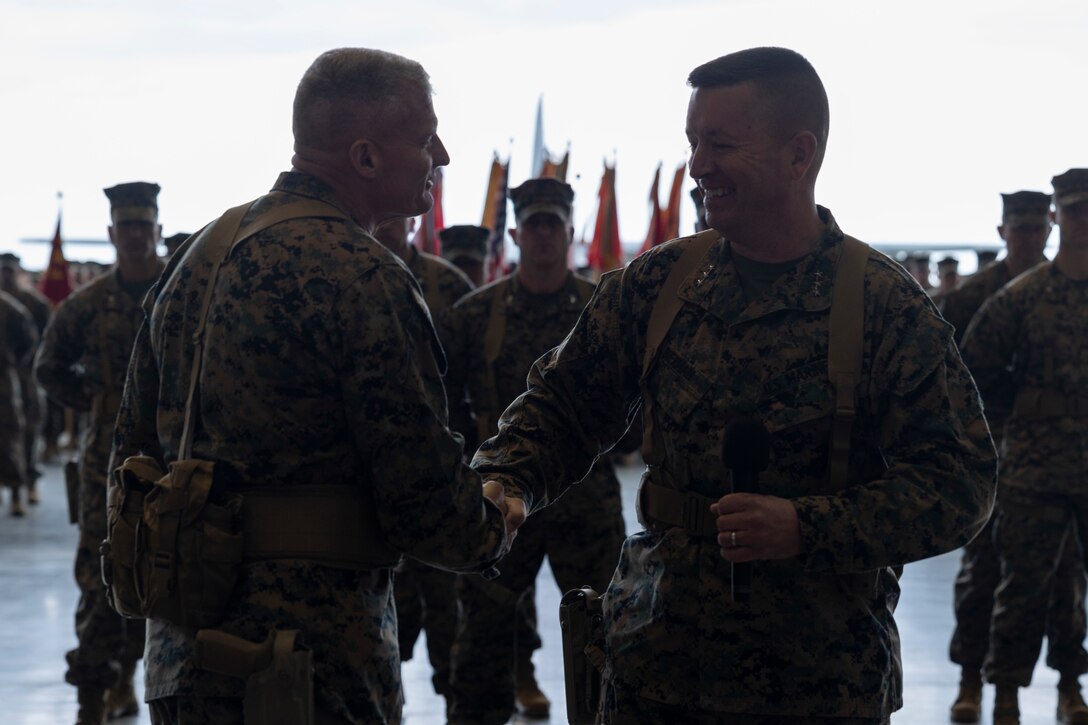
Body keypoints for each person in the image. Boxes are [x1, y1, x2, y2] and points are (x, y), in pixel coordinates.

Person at [473, 47, 997, 723]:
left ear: (799, 154)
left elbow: (962, 483)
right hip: (653, 668)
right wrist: (504, 480)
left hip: (818, 683)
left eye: (719, 144)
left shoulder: (880, 304)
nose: (698, 166)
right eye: (693, 143)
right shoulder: (657, 285)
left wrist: (808, 526)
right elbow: (563, 407)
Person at [107, 47, 510, 724]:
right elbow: (424, 502)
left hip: (183, 654)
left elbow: (131, 445)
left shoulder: (198, 256)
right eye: (424, 137)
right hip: (310, 665)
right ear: (366, 157)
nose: (441, 154)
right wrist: (493, 519)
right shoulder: (365, 276)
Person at [440, 177, 629, 724]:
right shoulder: (476, 315)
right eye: (534, 224)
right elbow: (442, 404)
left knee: (608, 637)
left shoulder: (605, 308)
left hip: (585, 499)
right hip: (502, 498)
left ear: (570, 232)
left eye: (554, 224)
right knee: (481, 642)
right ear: (517, 233)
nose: (544, 235)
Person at [943, 189, 1086, 723]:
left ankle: (1069, 686)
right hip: (997, 462)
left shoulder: (1067, 284)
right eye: (1019, 228)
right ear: (1003, 231)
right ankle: (973, 680)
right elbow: (960, 386)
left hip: (1054, 462)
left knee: (1064, 579)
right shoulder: (974, 297)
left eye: (1036, 227)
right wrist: (991, 445)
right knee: (983, 575)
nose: (1029, 236)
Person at [34, 181, 164, 724]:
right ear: (112, 233)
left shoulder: (181, 290)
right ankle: (92, 693)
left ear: (157, 229)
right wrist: (92, 401)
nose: (135, 236)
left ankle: (136, 681)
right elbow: (48, 367)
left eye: (143, 225)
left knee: (167, 573)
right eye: (126, 226)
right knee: (100, 575)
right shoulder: (87, 306)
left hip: (170, 461)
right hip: (104, 466)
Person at [0, 252, 49, 507]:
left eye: (9, 270)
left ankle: (26, 483)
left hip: (23, 375)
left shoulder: (30, 304)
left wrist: (20, 364)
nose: (5, 275)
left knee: (26, 430)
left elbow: (37, 339)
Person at [0, 290, 37, 517]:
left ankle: (15, 492)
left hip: (3, 378)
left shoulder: (8, 307)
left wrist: (14, 362)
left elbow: (28, 338)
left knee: (9, 435)